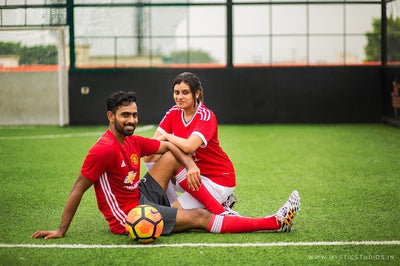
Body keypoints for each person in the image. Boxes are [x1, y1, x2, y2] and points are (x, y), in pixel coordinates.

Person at [31, 91, 300, 240]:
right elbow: (78, 188)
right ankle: (275, 222)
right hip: (130, 215)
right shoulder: (103, 150)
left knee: (171, 156)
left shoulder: (132, 141)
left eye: (134, 115)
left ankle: (220, 207)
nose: (131, 120)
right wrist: (61, 229)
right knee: (200, 218)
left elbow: (168, 148)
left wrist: (191, 166)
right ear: (110, 117)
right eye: (125, 115)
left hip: (141, 196)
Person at [144, 72, 238, 215]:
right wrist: (171, 165)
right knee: (151, 157)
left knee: (174, 214)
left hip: (217, 179)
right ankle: (170, 203)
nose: (179, 97)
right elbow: (153, 146)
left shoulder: (206, 116)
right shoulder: (173, 112)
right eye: (176, 92)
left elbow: (189, 146)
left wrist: (168, 137)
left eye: (185, 92)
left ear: (197, 94)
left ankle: (223, 203)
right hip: (192, 175)